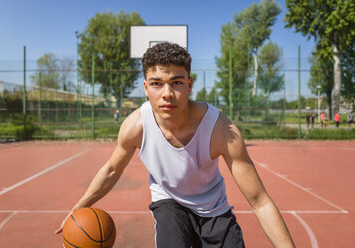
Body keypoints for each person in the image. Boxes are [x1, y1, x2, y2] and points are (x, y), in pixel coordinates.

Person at [55, 42, 295, 248]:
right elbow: (111, 170)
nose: (167, 93)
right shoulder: (136, 126)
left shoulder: (219, 130)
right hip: (168, 201)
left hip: (214, 207)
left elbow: (260, 201)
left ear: (189, 85)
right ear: (146, 87)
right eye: (157, 83)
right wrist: (78, 208)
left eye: (176, 82)